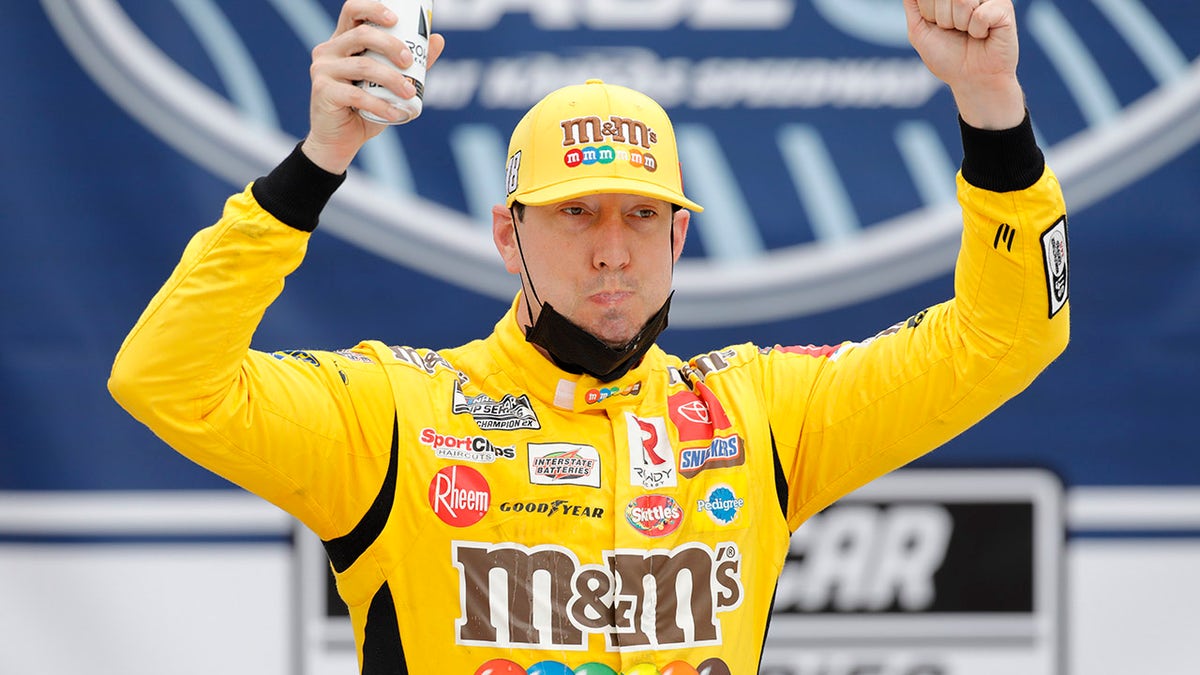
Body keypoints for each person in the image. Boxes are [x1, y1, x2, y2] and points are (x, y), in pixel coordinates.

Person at [108, 0, 1069, 672]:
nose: (613, 251)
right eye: (575, 216)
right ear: (507, 232)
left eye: (641, 216)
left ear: (681, 234)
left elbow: (1013, 330)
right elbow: (163, 379)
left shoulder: (761, 415)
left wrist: (991, 105)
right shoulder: (394, 415)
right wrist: (317, 164)